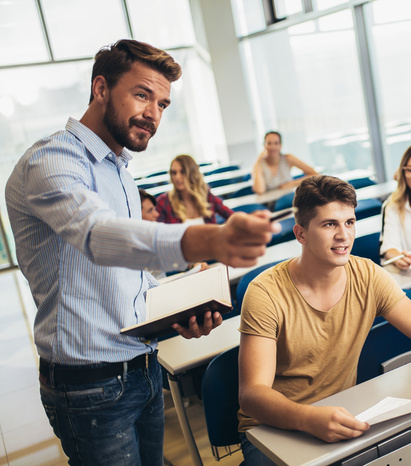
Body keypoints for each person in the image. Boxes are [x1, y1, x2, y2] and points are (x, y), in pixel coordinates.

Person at [4, 39, 278, 465]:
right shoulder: (53, 160)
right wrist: (209, 238)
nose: (154, 114)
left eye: (164, 105)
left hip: (144, 366)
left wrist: (177, 314)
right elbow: (100, 236)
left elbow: (131, 276)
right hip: (89, 387)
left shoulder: (120, 171)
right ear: (100, 89)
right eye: (142, 95)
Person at [238, 175, 411, 464]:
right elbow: (253, 395)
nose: (344, 235)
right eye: (330, 224)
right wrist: (308, 418)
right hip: (271, 429)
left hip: (341, 412)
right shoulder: (264, 292)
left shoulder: (367, 275)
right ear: (301, 234)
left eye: (349, 222)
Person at [156, 153, 233, 224]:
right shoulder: (164, 201)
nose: (177, 177)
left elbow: (233, 216)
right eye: (174, 173)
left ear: (192, 174)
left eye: (182, 172)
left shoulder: (206, 196)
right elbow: (155, 234)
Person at [251, 131, 318, 194]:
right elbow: (260, 190)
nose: (272, 147)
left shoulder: (288, 158)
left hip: (290, 198)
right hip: (271, 204)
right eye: (269, 143)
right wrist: (258, 160)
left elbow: (315, 174)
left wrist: (290, 184)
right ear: (264, 145)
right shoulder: (259, 164)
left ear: (280, 145)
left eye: (276, 143)